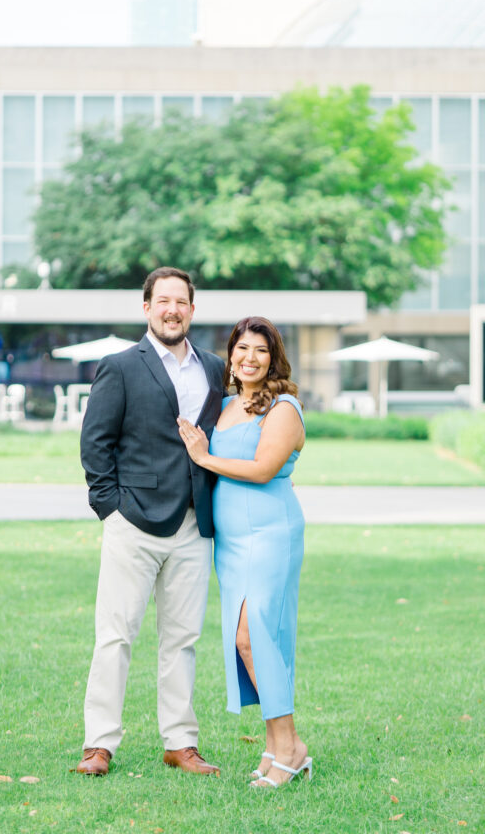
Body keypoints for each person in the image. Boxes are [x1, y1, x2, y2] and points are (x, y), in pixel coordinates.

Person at [76, 266, 226, 777]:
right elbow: (95, 444)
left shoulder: (213, 367)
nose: (172, 310)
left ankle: (180, 743)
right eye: (163, 301)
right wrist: (111, 508)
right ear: (147, 308)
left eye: (181, 302)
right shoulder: (120, 366)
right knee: (115, 636)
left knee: (182, 639)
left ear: (191, 309)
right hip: (132, 524)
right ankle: (98, 744)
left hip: (192, 524)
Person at [177, 316, 311, 790]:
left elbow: (262, 468)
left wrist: (204, 457)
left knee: (255, 638)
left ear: (274, 358)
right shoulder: (228, 404)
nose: (248, 358)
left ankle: (291, 745)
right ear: (230, 353)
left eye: (260, 350)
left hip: (270, 533)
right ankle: (277, 747)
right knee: (249, 639)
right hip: (232, 541)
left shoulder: (284, 408)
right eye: (241, 348)